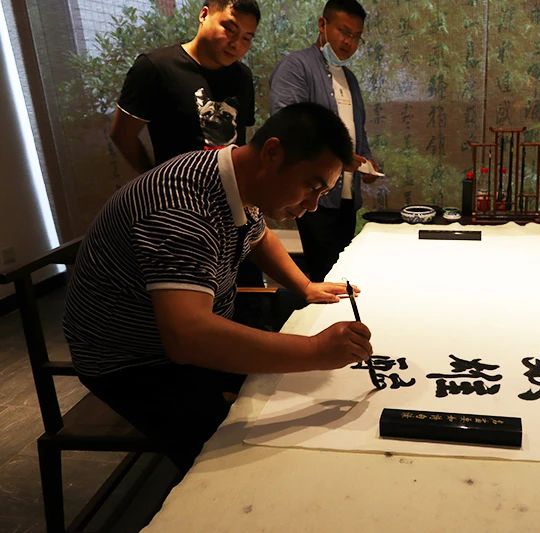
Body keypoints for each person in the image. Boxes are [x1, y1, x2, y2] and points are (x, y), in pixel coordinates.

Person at [64, 103, 374, 475]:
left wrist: (305, 286)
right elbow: (187, 337)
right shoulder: (181, 208)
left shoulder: (238, 178)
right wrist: (315, 350)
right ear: (273, 153)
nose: (312, 205)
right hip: (132, 359)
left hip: (190, 331)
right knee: (241, 457)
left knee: (296, 387)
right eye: (312, 187)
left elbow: (259, 237)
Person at [269, 0, 381, 282]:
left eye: (356, 36)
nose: (349, 42)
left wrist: (366, 161)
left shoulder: (350, 78)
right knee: (325, 275)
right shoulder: (296, 66)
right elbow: (288, 125)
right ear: (322, 24)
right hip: (313, 194)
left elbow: (357, 130)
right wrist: (341, 158)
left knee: (343, 272)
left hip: (347, 197)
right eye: (344, 31)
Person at [110, 0, 260, 174]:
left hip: (231, 188)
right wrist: (154, 181)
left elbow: (241, 136)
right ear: (204, 15)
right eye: (230, 29)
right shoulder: (156, 67)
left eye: (246, 38)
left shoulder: (242, 76)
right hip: (177, 189)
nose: (236, 44)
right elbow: (122, 135)